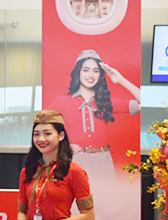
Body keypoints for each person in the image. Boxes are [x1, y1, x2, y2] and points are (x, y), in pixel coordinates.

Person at [48, 49, 140, 179]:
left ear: (100, 75)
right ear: (78, 72)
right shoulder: (61, 102)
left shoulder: (105, 102)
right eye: (86, 70)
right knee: (76, 199)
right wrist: (63, 146)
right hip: (75, 160)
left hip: (103, 161)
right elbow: (41, 128)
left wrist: (120, 80)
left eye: (95, 71)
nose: (90, 75)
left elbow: (143, 103)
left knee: (106, 199)